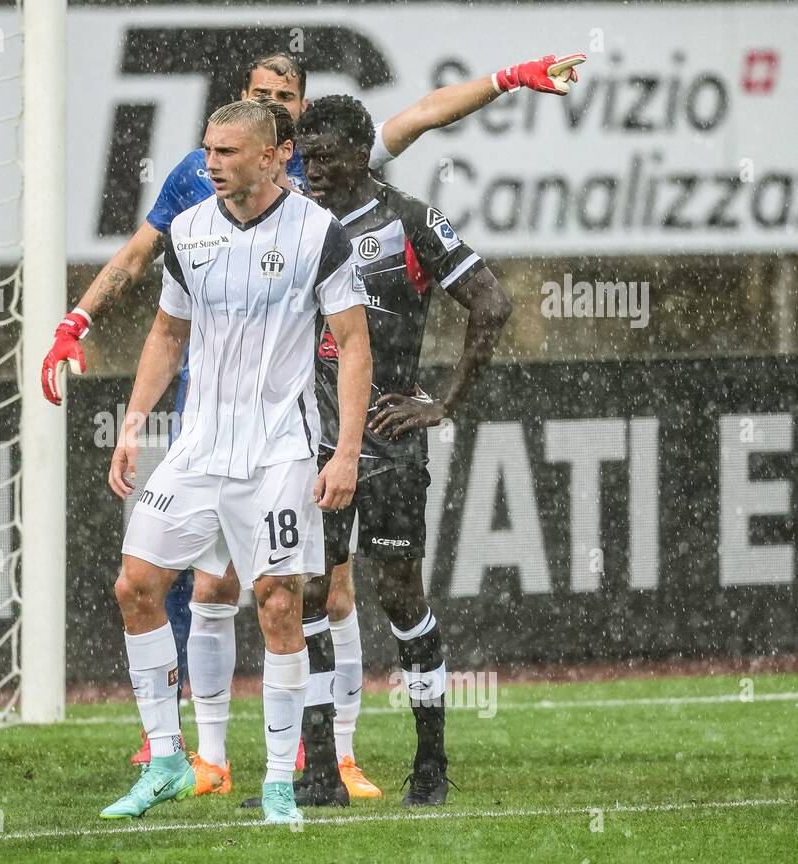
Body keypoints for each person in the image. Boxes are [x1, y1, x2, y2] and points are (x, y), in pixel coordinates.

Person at [47, 50, 585, 798]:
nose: (275, 105)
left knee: (350, 594)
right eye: (260, 94)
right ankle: (233, 757)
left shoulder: (342, 186)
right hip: (256, 428)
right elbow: (145, 258)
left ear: (296, 118)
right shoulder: (224, 184)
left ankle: (369, 758)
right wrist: (77, 319)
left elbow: (423, 114)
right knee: (241, 590)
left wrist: (510, 78)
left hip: (340, 433)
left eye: (285, 97)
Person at [100, 100, 371, 824]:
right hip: (197, 446)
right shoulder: (188, 232)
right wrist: (134, 425)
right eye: (207, 150)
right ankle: (165, 759)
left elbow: (352, 344)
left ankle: (280, 782)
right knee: (136, 585)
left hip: (280, 450)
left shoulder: (320, 233)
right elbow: (165, 333)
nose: (212, 163)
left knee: (279, 604)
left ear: (272, 154)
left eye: (226, 151)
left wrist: (344, 452)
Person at [278, 94, 513, 807]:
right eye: (304, 155)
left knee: (399, 593)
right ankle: (321, 767)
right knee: (310, 592)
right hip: (311, 440)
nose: (311, 168)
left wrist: (442, 402)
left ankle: (432, 763)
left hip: (388, 442)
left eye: (324, 156)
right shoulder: (292, 221)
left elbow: (492, 302)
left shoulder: (408, 219)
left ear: (359, 151)